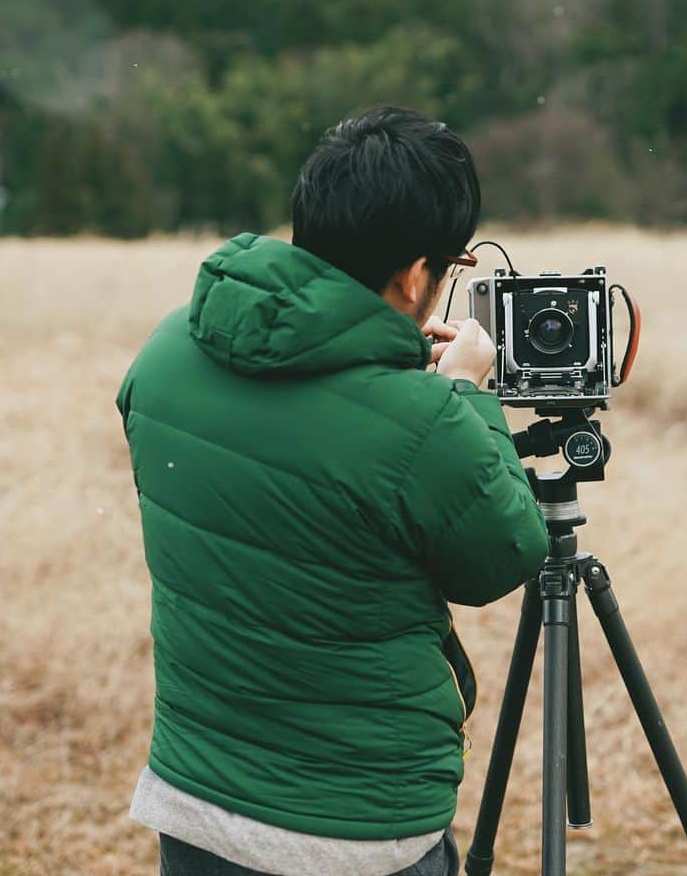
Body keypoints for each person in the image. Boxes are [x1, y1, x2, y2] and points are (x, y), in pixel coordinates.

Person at [114, 106, 550, 876]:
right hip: (357, 830)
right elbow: (503, 555)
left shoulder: (170, 349)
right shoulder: (424, 425)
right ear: (418, 274)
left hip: (196, 800)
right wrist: (468, 396)